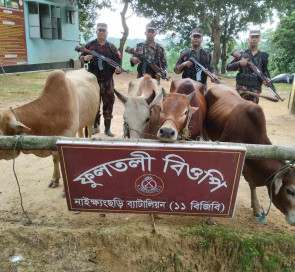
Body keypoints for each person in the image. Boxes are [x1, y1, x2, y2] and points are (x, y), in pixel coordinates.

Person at [80, 22, 121, 136]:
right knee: (94, 104)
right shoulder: (90, 45)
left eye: (104, 30)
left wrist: (118, 70)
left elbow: (118, 64)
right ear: (96, 32)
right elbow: (81, 57)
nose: (102, 32)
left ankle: (107, 128)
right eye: (100, 30)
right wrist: (85, 58)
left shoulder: (112, 47)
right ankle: (95, 126)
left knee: (109, 104)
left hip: (108, 81)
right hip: (93, 81)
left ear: (107, 33)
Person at [227, 29, 271, 104]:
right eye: (252, 37)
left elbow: (265, 71)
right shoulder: (241, 55)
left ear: (259, 39)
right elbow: (228, 68)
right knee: (239, 112)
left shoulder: (263, 56)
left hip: (255, 91)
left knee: (252, 113)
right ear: (248, 39)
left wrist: (267, 78)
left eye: (256, 37)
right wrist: (239, 63)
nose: (254, 39)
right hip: (241, 90)